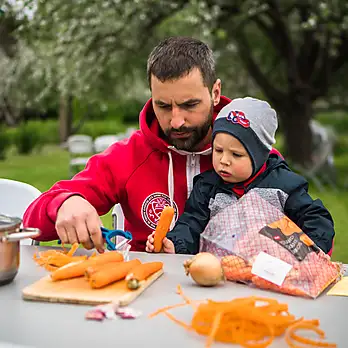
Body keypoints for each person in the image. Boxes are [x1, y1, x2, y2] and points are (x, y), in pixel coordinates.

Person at [23, 37, 280, 253]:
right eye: (164, 106)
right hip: (145, 298)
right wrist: (64, 204)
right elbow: (32, 220)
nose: (176, 121)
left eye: (190, 105)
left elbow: (306, 225)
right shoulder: (128, 156)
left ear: (214, 92)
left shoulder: (254, 153)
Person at [145, 97, 335, 255]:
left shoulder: (283, 186)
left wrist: (311, 252)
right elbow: (191, 224)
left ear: (259, 155)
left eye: (236, 155)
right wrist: (175, 243)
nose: (224, 161)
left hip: (270, 274)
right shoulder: (207, 187)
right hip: (220, 274)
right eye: (218, 150)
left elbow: (316, 218)